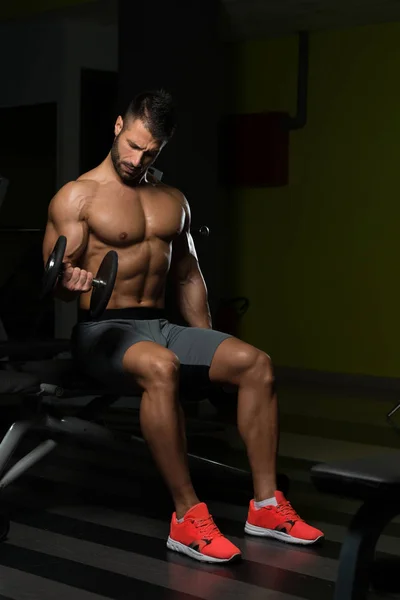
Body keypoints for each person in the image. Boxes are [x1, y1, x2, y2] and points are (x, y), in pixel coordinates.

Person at [42, 89, 323, 564]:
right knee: (162, 366)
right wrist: (69, 282)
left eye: (149, 151)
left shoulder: (173, 200)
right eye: (132, 144)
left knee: (255, 363)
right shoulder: (77, 196)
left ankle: (267, 505)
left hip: (160, 325)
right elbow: (56, 280)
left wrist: (211, 347)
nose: (137, 158)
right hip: (103, 331)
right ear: (117, 126)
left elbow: (189, 277)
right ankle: (186, 516)